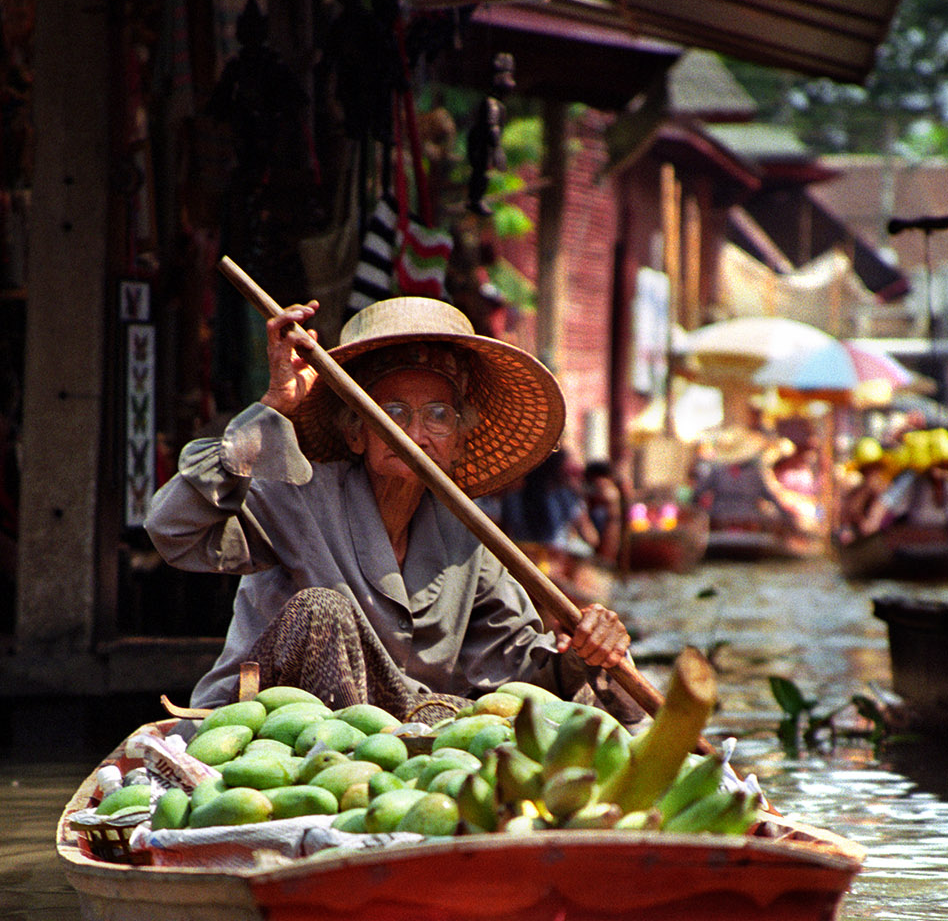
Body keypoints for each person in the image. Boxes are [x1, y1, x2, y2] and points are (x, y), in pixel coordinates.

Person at [146, 295, 641, 724]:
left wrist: (587, 651)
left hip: (401, 756)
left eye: (438, 416)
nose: (415, 435)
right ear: (357, 432)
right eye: (393, 414)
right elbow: (173, 531)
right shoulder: (297, 495)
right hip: (273, 735)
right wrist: (272, 409)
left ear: (457, 443)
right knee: (324, 610)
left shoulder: (472, 541)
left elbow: (520, 677)